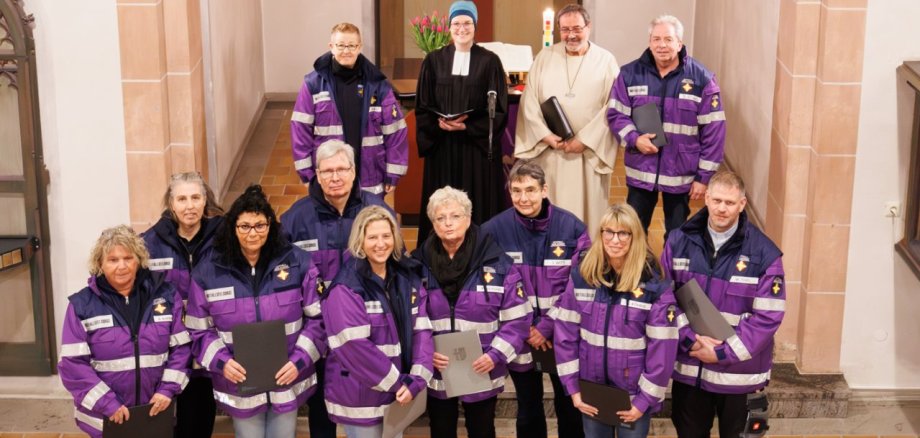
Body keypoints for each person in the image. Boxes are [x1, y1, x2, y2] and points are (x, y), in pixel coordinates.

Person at [185, 185, 325, 438]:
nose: (253, 233)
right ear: (233, 227)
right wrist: (222, 363)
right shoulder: (208, 272)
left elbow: (319, 320)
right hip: (239, 383)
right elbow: (198, 330)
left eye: (260, 225)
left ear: (270, 225)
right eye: (245, 226)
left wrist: (299, 361)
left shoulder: (298, 262)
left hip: (287, 379)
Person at [661, 170, 785, 437]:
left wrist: (721, 353)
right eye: (717, 200)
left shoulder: (765, 254)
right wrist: (689, 340)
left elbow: (768, 318)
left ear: (742, 204)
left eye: (729, 203)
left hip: (739, 377)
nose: (721, 208)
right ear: (706, 198)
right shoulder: (678, 241)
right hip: (691, 369)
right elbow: (664, 300)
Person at [480, 159, 590, 438]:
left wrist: (546, 327)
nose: (523, 198)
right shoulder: (493, 230)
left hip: (562, 334)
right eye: (516, 191)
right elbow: (491, 286)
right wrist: (526, 327)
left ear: (544, 190)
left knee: (569, 406)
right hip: (520, 335)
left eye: (530, 190)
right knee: (528, 407)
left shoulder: (572, 228)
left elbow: (580, 285)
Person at [411, 186, 530, 438]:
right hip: (438, 367)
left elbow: (518, 319)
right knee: (441, 431)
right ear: (432, 223)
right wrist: (425, 352)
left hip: (481, 367)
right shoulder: (417, 266)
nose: (448, 223)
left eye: (455, 216)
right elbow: (409, 319)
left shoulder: (498, 263)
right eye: (440, 218)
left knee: (482, 430)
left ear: (468, 218)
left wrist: (495, 356)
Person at [551, 204, 678, 437]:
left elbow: (663, 351)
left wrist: (643, 401)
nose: (615, 240)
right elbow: (565, 336)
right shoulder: (583, 276)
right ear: (600, 234)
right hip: (592, 393)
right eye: (608, 232)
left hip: (633, 398)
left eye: (623, 233)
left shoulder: (654, 284)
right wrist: (574, 390)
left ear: (635, 236)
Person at [59, 225, 191, 438]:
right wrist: (107, 403)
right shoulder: (81, 305)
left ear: (139, 260)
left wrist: (167, 390)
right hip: (107, 419)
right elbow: (72, 365)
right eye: (113, 260)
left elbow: (181, 349)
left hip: (154, 413)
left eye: (128, 258)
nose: (122, 266)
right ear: (100, 263)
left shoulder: (166, 296)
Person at [607, 15, 726, 240]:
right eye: (656, 39)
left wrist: (703, 178)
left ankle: (672, 265)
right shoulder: (629, 75)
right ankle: (639, 264)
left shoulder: (702, 79)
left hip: (681, 174)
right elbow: (616, 115)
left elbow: (714, 132)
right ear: (649, 42)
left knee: (677, 236)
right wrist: (634, 139)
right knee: (634, 232)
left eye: (668, 39)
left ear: (679, 44)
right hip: (641, 169)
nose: (662, 45)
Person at [321, 206, 434, 438]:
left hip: (397, 394)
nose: (380, 244)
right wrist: (399, 383)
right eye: (372, 237)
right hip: (361, 397)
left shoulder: (405, 278)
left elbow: (421, 331)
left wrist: (417, 379)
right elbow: (355, 348)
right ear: (360, 241)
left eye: (386, 236)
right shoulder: (346, 287)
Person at [514, 3, 620, 234]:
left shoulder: (606, 61)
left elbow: (613, 106)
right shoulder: (545, 57)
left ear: (588, 27)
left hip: (588, 153)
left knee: (588, 212)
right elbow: (529, 101)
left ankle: (586, 252)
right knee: (552, 207)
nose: (571, 35)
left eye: (577, 28)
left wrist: (585, 140)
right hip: (552, 153)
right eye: (565, 29)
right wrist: (546, 135)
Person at [415, 0, 509, 240]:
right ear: (449, 27)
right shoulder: (433, 61)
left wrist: (468, 125)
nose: (462, 28)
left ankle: (481, 250)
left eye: (467, 23)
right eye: (456, 23)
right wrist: (437, 124)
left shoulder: (490, 61)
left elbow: (499, 109)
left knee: (478, 203)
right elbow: (422, 105)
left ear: (475, 26)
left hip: (476, 150)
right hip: (442, 148)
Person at [141, 171, 223, 437]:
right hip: (168, 347)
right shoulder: (148, 243)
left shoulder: (223, 238)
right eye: (182, 199)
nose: (190, 206)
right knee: (167, 421)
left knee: (200, 418)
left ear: (205, 201)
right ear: (171, 203)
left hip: (207, 341)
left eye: (196, 198)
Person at [292, 22, 408, 196]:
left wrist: (393, 173)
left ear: (359, 47)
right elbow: (300, 130)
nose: (346, 51)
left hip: (369, 174)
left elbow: (395, 131)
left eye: (352, 46)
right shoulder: (313, 84)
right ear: (331, 47)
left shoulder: (378, 85)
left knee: (367, 214)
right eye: (341, 45)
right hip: (331, 174)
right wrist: (307, 174)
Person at [281, 140, 393, 283]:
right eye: (328, 171)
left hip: (363, 296)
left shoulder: (378, 210)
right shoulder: (295, 218)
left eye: (341, 170)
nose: (335, 178)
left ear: (353, 172)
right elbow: (281, 268)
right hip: (316, 297)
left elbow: (397, 260)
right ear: (318, 176)